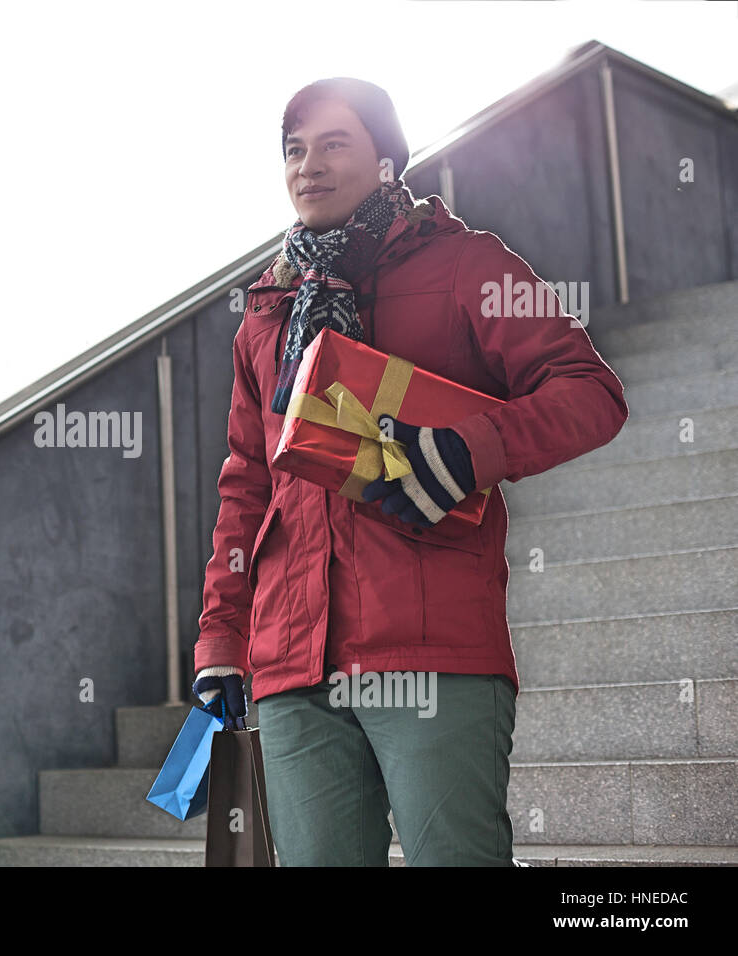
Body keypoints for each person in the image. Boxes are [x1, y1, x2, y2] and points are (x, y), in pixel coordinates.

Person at [191, 77, 628, 866]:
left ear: (389, 160)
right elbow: (246, 486)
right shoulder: (268, 314)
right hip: (294, 664)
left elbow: (590, 393)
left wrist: (469, 450)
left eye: (334, 144)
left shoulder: (469, 267)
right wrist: (222, 634)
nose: (308, 166)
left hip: (433, 649)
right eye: (294, 150)